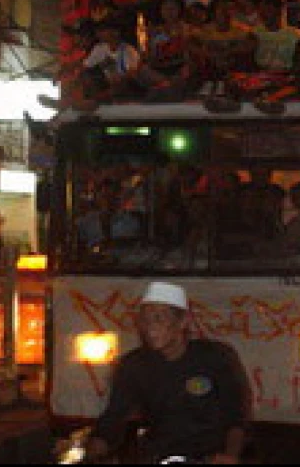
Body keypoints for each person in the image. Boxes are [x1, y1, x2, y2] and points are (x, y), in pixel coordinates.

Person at [86, 282, 250, 463]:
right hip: (159, 455)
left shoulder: (215, 357)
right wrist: (91, 455)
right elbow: (113, 418)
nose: (150, 326)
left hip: (209, 456)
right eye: (145, 319)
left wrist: (230, 455)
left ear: (183, 321)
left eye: (159, 318)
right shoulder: (134, 365)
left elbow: (236, 415)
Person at [77, 178, 145, 252]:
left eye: (112, 196)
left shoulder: (130, 223)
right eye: (104, 196)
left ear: (119, 197)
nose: (107, 201)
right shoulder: (85, 222)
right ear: (98, 197)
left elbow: (133, 249)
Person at [253, 0, 300, 72]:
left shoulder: (296, 35)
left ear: (279, 9)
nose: (264, 14)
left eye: (268, 9)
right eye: (261, 10)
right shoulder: (255, 33)